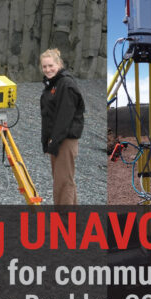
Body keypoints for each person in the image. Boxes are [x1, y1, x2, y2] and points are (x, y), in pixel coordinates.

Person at [38, 48, 85, 205]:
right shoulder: (54, 84)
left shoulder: (65, 84)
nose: (48, 69)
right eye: (44, 67)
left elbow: (64, 118)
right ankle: (73, 223)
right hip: (58, 139)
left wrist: (53, 143)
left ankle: (64, 224)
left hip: (64, 140)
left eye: (51, 65)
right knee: (65, 181)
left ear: (59, 64)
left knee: (63, 183)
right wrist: (48, 141)